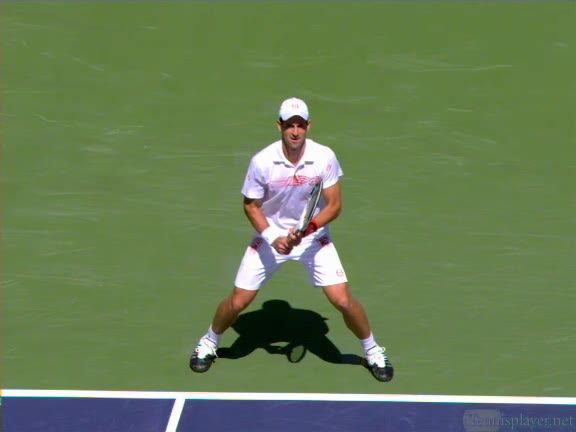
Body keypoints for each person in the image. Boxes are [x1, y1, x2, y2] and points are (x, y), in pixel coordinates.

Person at [190, 97, 393, 382]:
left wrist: (306, 230)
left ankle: (372, 350)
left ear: (308, 126)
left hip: (313, 238)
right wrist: (273, 237)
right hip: (270, 235)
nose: (295, 132)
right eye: (289, 125)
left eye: (300, 125)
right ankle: (209, 342)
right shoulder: (262, 162)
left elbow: (334, 205)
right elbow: (251, 205)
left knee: (343, 300)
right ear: (279, 126)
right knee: (237, 302)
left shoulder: (324, 157)